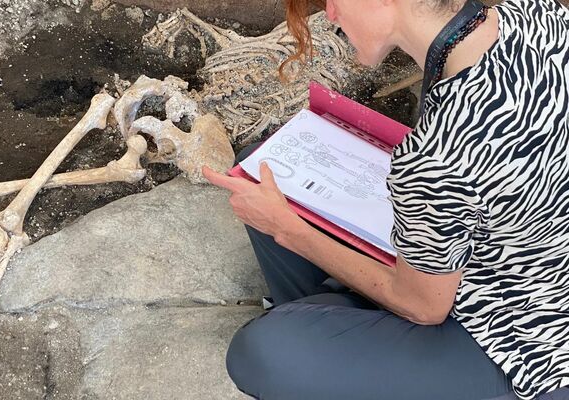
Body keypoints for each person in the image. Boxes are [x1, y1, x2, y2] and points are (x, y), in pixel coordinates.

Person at [202, 0, 569, 399]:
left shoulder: (439, 155)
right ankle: (340, 333)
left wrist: (287, 230)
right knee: (260, 165)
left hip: (524, 347)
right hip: (526, 251)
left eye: (334, 1)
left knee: (263, 353)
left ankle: (334, 338)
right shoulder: (541, 16)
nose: (331, 16)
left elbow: (424, 308)